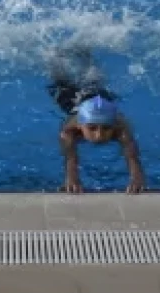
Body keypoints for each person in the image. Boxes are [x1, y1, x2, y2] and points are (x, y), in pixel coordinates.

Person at [49, 47, 146, 194]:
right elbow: (70, 158)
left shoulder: (121, 128)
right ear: (80, 126)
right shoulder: (69, 131)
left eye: (106, 128)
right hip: (74, 100)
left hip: (100, 98)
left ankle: (85, 53)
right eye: (92, 128)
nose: (99, 135)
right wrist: (71, 177)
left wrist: (137, 177)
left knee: (94, 82)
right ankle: (55, 57)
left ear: (113, 125)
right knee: (60, 84)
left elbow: (132, 157)